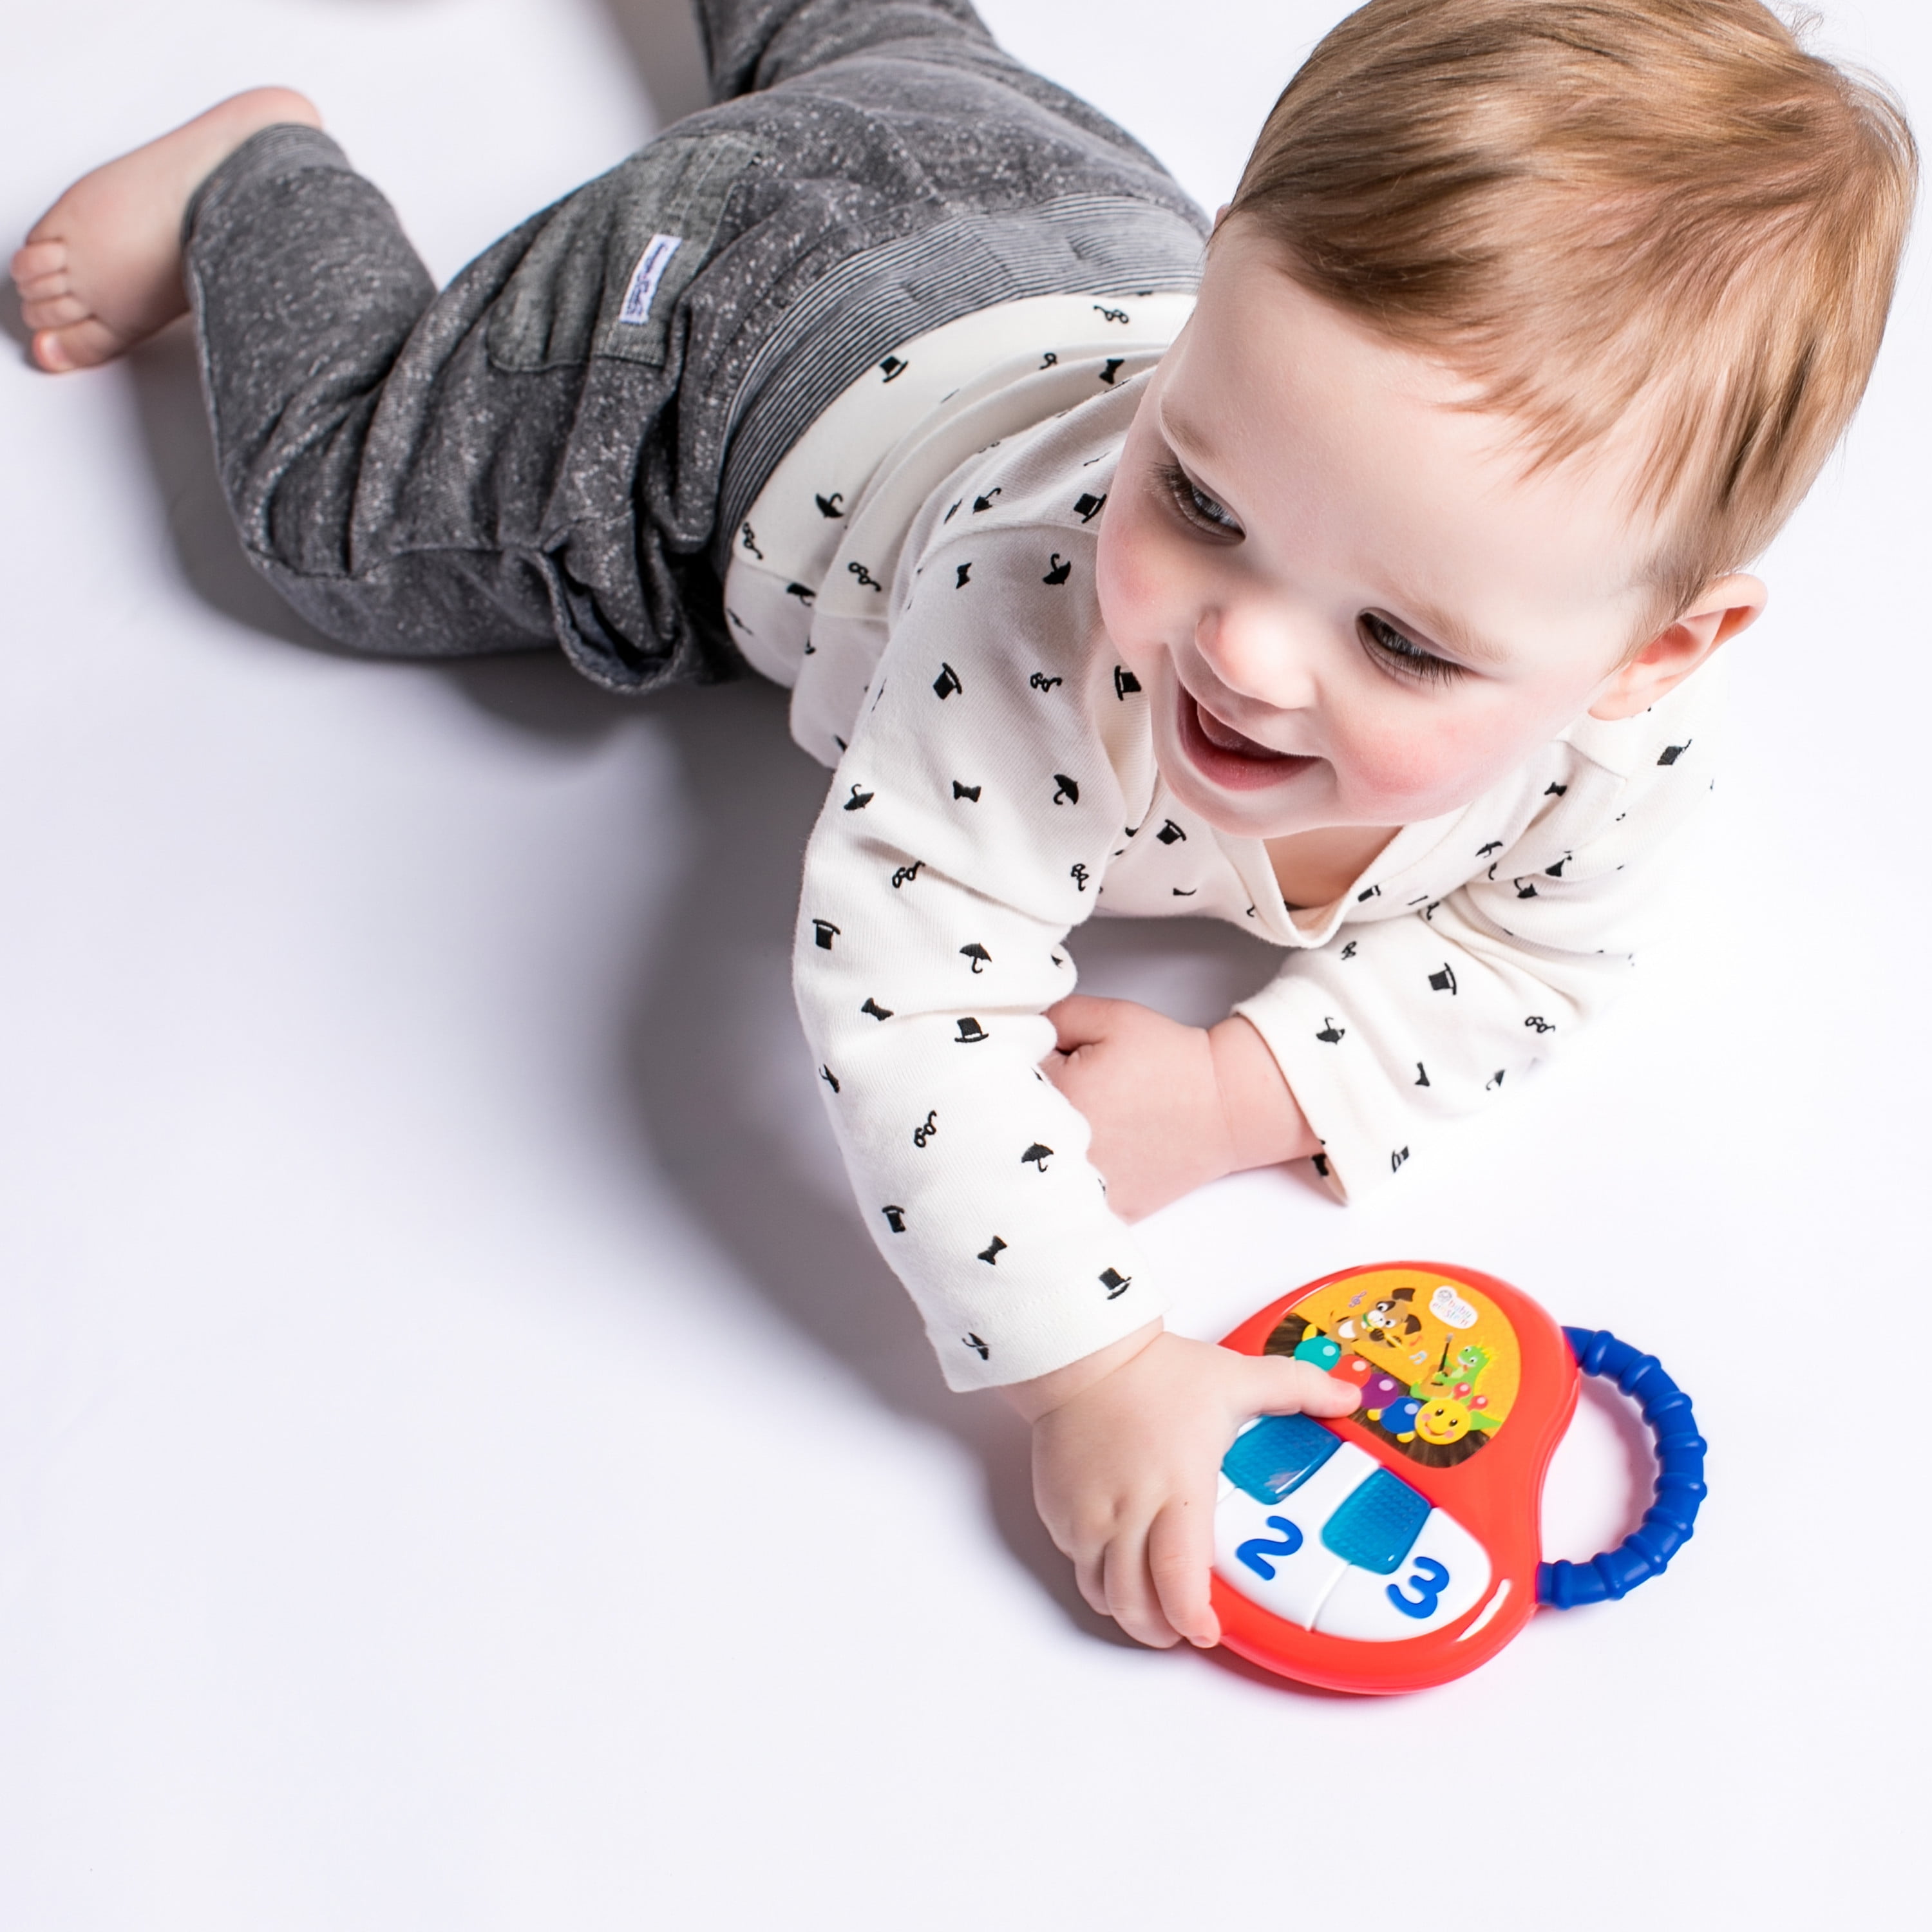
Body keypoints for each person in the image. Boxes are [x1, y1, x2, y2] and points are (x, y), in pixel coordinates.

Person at [12, 0, 1915, 1652]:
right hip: (723, 339)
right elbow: (906, 1004)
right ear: (1223, 311)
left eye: (1403, 640)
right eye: (1204, 493)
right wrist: (1093, 1367)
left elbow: (1534, 954)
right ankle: (259, 173)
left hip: (1051, 196)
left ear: (1662, 651)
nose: (1240, 649)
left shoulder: (1626, 740)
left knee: (883, 48)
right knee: (339, 522)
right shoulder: (1039, 606)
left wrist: (1250, 1093)